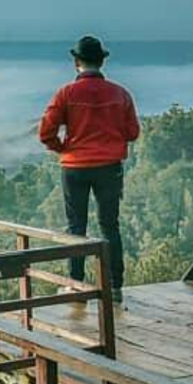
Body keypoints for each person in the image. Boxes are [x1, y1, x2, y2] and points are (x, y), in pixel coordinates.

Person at [38, 36, 140, 305]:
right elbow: (132, 132)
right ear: (102, 60)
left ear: (76, 62)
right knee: (110, 226)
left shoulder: (66, 94)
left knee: (76, 227)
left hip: (75, 168)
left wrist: (62, 148)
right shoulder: (120, 94)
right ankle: (115, 287)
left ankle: (76, 287)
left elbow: (45, 131)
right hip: (109, 167)